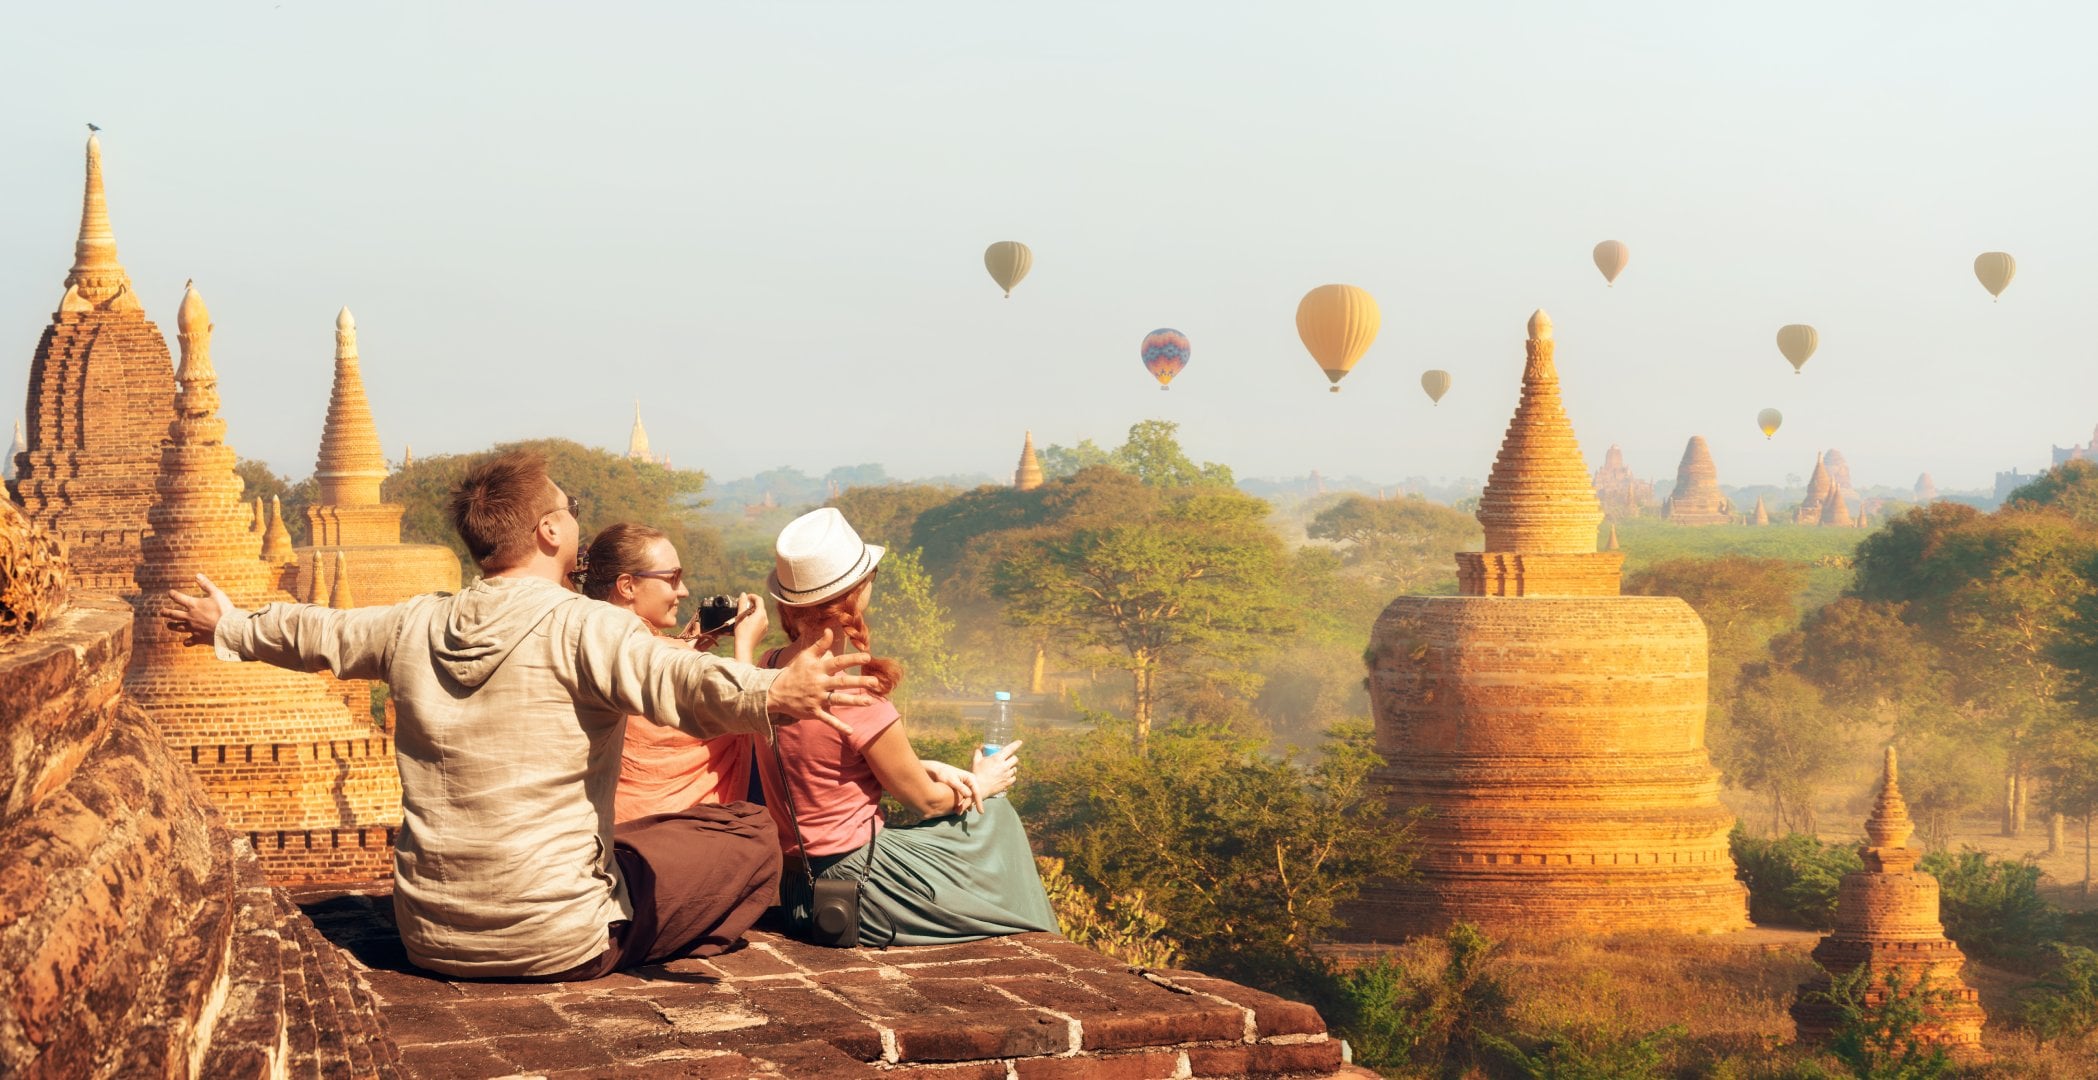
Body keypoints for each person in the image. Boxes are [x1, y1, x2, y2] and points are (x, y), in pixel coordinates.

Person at [159, 451, 882, 980]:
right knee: (749, 835)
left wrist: (232, 626)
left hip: (431, 934)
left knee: (661, 832)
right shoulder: (583, 627)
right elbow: (676, 677)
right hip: (559, 938)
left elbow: (320, 633)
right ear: (546, 534)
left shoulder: (415, 622)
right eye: (566, 509)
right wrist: (769, 694)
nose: (574, 519)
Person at [756, 507, 1057, 946]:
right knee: (994, 816)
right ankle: (1044, 937)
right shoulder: (853, 695)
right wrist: (984, 782)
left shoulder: (767, 671)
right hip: (856, 887)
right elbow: (928, 803)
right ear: (856, 594)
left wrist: (928, 764)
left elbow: (821, 765)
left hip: (798, 889)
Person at [579, 522, 767, 821]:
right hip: (674, 832)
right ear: (627, 586)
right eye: (673, 579)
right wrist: (745, 645)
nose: (683, 591)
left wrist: (689, 647)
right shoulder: (649, 655)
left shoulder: (585, 640)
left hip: (615, 821)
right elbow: (742, 711)